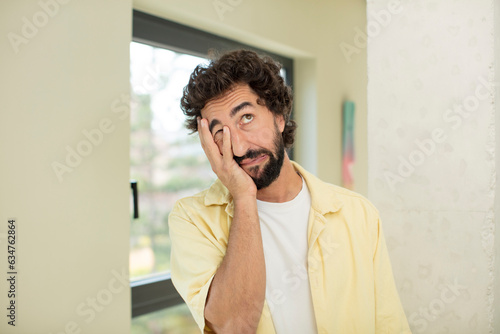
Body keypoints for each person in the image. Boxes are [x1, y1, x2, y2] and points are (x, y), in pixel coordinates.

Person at [168, 49, 411, 334]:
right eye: (220, 132)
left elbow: (389, 324)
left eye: (246, 117)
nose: (239, 147)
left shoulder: (358, 213)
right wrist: (244, 197)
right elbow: (234, 325)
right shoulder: (192, 219)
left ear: (279, 116)